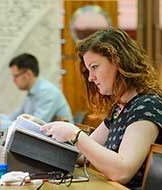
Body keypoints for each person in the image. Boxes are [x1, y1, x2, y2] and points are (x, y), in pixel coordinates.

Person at [40, 28, 162, 189]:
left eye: (94, 67)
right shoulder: (120, 107)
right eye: (89, 70)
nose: (90, 78)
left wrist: (74, 135)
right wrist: (40, 132)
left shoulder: (147, 105)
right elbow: (83, 154)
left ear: (118, 62)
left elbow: (123, 172)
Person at [0, 53, 73, 131]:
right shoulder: (31, 93)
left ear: (28, 74)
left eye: (16, 76)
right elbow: (14, 118)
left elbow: (34, 128)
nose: (13, 80)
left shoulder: (48, 93)